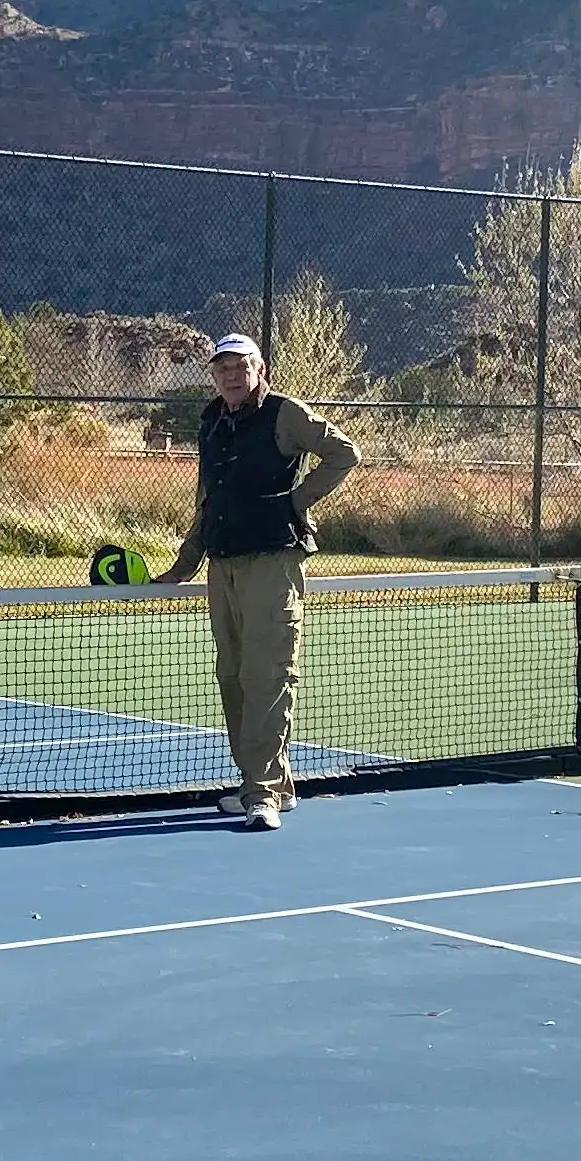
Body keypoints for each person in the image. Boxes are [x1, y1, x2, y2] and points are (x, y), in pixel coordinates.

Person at [156, 333, 361, 830]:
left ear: (259, 370)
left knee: (267, 676)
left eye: (239, 366)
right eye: (221, 367)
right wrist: (186, 564)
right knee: (234, 676)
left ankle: (262, 793)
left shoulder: (286, 414)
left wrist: (296, 502)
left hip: (273, 564)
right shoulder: (210, 421)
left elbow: (344, 453)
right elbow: (208, 499)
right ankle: (270, 783)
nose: (229, 374)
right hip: (222, 567)